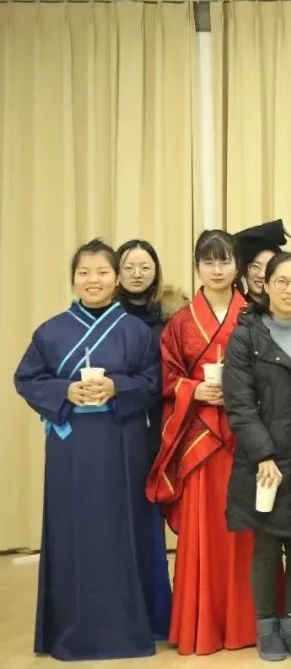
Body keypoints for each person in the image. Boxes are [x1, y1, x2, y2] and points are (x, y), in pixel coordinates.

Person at [14, 239, 165, 660]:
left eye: (102, 272)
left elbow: (155, 382)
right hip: (71, 446)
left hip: (122, 441)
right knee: (72, 531)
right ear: (73, 279)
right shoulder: (50, 331)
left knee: (124, 529)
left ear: (116, 280)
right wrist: (65, 391)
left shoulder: (136, 331)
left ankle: (127, 628)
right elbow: (27, 379)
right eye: (84, 273)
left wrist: (117, 387)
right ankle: (70, 630)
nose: (93, 280)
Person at [145, 229, 258, 655]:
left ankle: (247, 623)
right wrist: (195, 389)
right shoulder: (179, 323)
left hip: (243, 435)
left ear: (237, 266)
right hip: (199, 440)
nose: (217, 269)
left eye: (225, 260)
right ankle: (201, 625)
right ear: (197, 267)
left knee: (245, 528)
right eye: (208, 261)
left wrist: (240, 392)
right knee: (204, 527)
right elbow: (167, 379)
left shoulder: (253, 316)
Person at [222, 252, 291, 662]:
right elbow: (239, 404)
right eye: (281, 281)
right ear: (265, 285)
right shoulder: (246, 337)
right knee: (267, 547)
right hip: (264, 461)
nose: (290, 289)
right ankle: (267, 628)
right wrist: (263, 454)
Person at [115, 238, 180, 638]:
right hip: (118, 426)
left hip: (164, 426)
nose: (138, 274)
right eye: (129, 267)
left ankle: (159, 613)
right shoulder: (105, 318)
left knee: (153, 519)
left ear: (156, 271)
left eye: (145, 267)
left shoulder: (173, 316)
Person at [236, 219, 291, 303]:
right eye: (255, 266)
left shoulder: (289, 307)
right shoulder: (235, 305)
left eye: (269, 267)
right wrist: (277, 227)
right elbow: (229, 244)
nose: (262, 274)